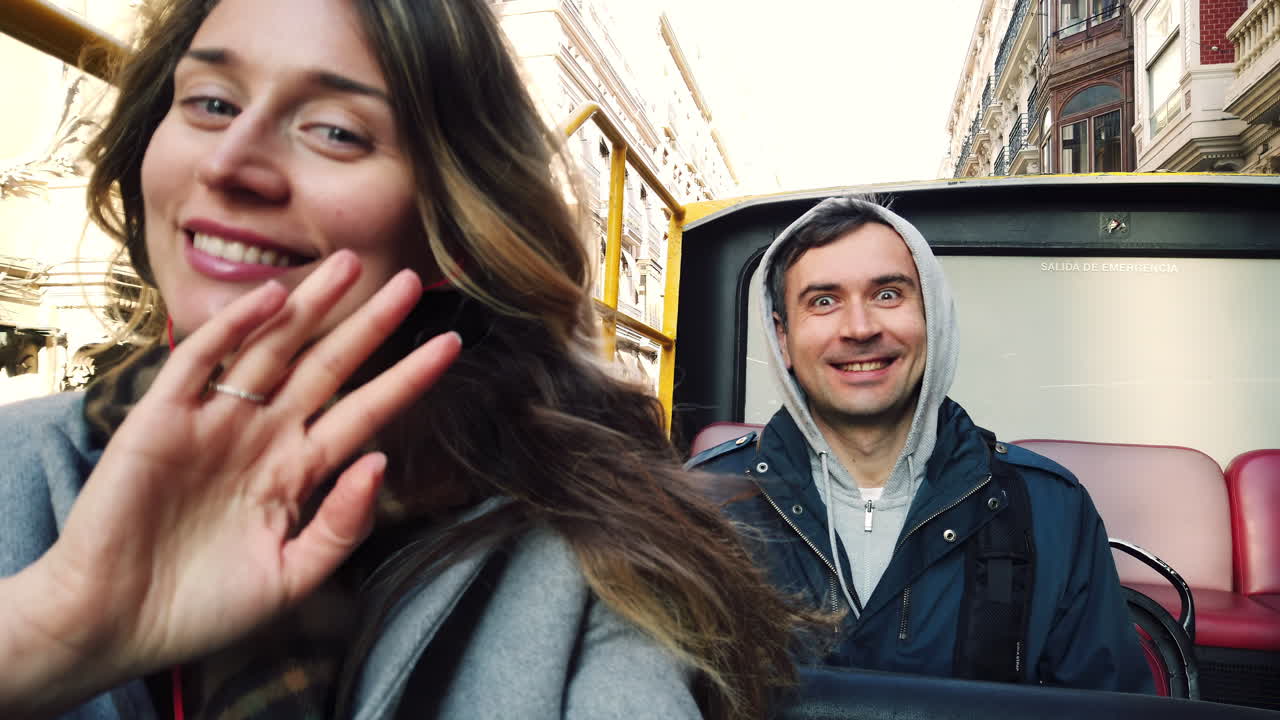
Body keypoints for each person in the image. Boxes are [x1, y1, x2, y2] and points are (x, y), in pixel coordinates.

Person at [0, 0, 805, 717]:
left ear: (449, 226)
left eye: (337, 132)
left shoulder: (592, 560)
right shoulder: (17, 462)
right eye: (211, 103)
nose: (228, 164)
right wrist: (46, 638)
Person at [689, 196, 1154, 692]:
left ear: (932, 315)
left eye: (887, 295)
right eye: (823, 301)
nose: (860, 328)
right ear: (782, 338)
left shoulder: (1052, 509)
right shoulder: (697, 507)